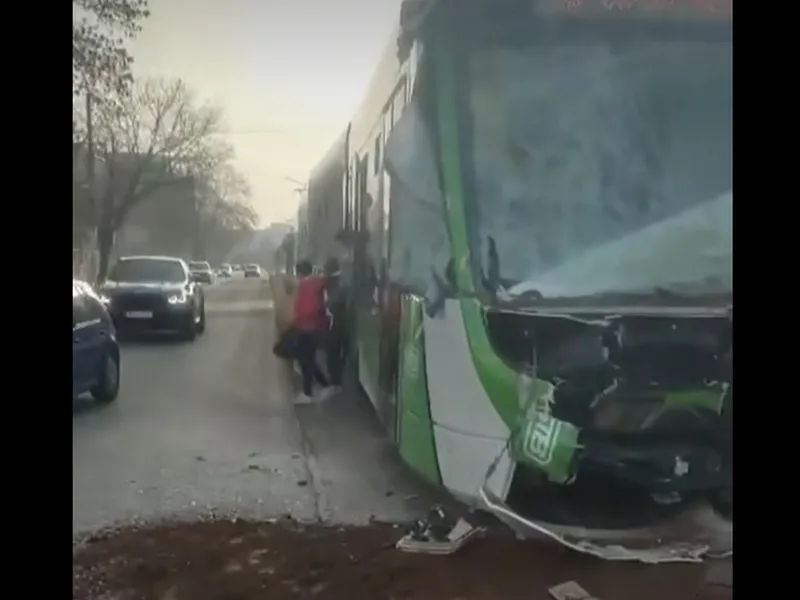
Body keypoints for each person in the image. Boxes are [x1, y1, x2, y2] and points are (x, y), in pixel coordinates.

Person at [291, 260, 330, 404]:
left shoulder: (305, 286)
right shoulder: (315, 283)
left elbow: (305, 307)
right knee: (307, 360)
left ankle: (309, 393)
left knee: (305, 361)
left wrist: (297, 320)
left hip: (306, 327)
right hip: (313, 327)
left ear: (299, 272)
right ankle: (324, 384)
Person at [322, 257, 347, 387]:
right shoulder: (344, 280)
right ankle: (338, 377)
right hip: (345, 320)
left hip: (333, 321)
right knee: (341, 350)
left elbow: (328, 301)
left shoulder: (328, 282)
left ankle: (335, 379)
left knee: (331, 352)